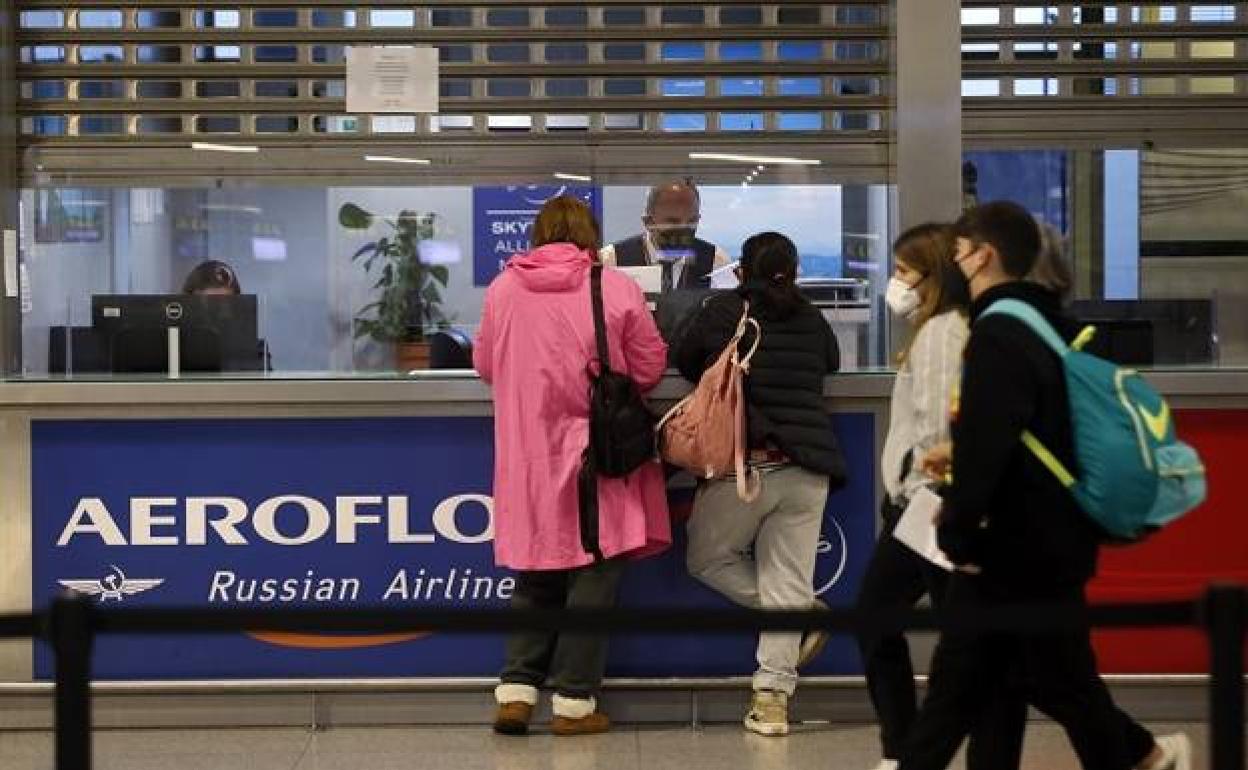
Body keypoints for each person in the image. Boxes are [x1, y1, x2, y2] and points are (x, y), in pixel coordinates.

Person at [897, 202, 1190, 770]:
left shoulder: (998, 333)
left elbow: (990, 445)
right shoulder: (1049, 325)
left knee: (964, 698)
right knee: (1053, 685)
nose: (953, 264)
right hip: (1050, 542)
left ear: (984, 256)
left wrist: (958, 534)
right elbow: (1032, 431)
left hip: (1008, 552)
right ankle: (1146, 759)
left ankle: (1144, 758)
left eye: (958, 253)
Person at [473, 195, 671, 738]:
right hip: (597, 453)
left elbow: (486, 364)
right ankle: (574, 703)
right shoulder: (613, 286)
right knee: (595, 572)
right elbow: (651, 366)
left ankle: (515, 694)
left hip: (529, 453)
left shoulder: (504, 287)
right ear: (590, 236)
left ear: (537, 235)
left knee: (536, 569)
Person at [858, 224, 1026, 770]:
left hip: (929, 504)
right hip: (928, 503)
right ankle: (911, 750)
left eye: (905, 270)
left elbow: (935, 432)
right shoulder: (951, 328)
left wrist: (919, 495)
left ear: (934, 276)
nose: (895, 282)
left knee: (944, 637)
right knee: (968, 642)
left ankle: (907, 752)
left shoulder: (940, 335)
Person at [676, 231, 846, 737]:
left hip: (746, 469)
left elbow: (686, 359)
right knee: (788, 582)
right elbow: (831, 364)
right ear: (793, 272)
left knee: (706, 559)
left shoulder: (723, 312)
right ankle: (772, 703)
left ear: (741, 271)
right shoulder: (812, 317)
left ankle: (803, 613)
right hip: (808, 470)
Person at [600, 179, 732, 292]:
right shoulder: (612, 260)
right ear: (648, 222)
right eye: (673, 222)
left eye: (692, 221)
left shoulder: (716, 261)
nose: (684, 229)